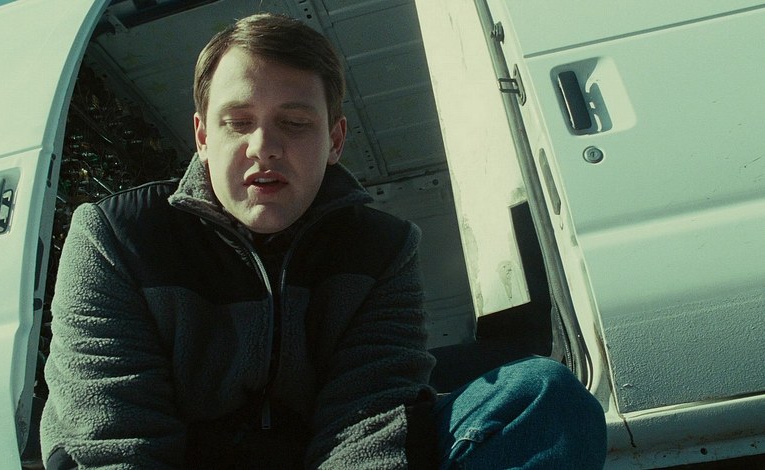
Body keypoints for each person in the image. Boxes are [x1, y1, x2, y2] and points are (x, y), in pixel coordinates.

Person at [40, 12, 606, 469]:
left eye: (294, 123)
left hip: (321, 457)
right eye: (238, 121)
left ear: (335, 139)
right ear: (202, 136)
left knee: (542, 396)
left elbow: (370, 417)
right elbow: (115, 442)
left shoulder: (383, 249)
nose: (263, 146)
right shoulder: (116, 238)